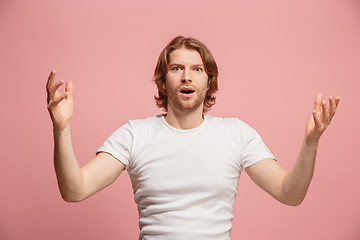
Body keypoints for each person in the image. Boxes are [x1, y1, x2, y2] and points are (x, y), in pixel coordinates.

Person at [46, 36, 340, 239]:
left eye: (197, 69)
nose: (187, 76)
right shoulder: (134, 134)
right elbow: (75, 190)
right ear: (163, 81)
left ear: (208, 81)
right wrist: (62, 128)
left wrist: (311, 142)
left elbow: (290, 194)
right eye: (177, 68)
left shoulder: (236, 133)